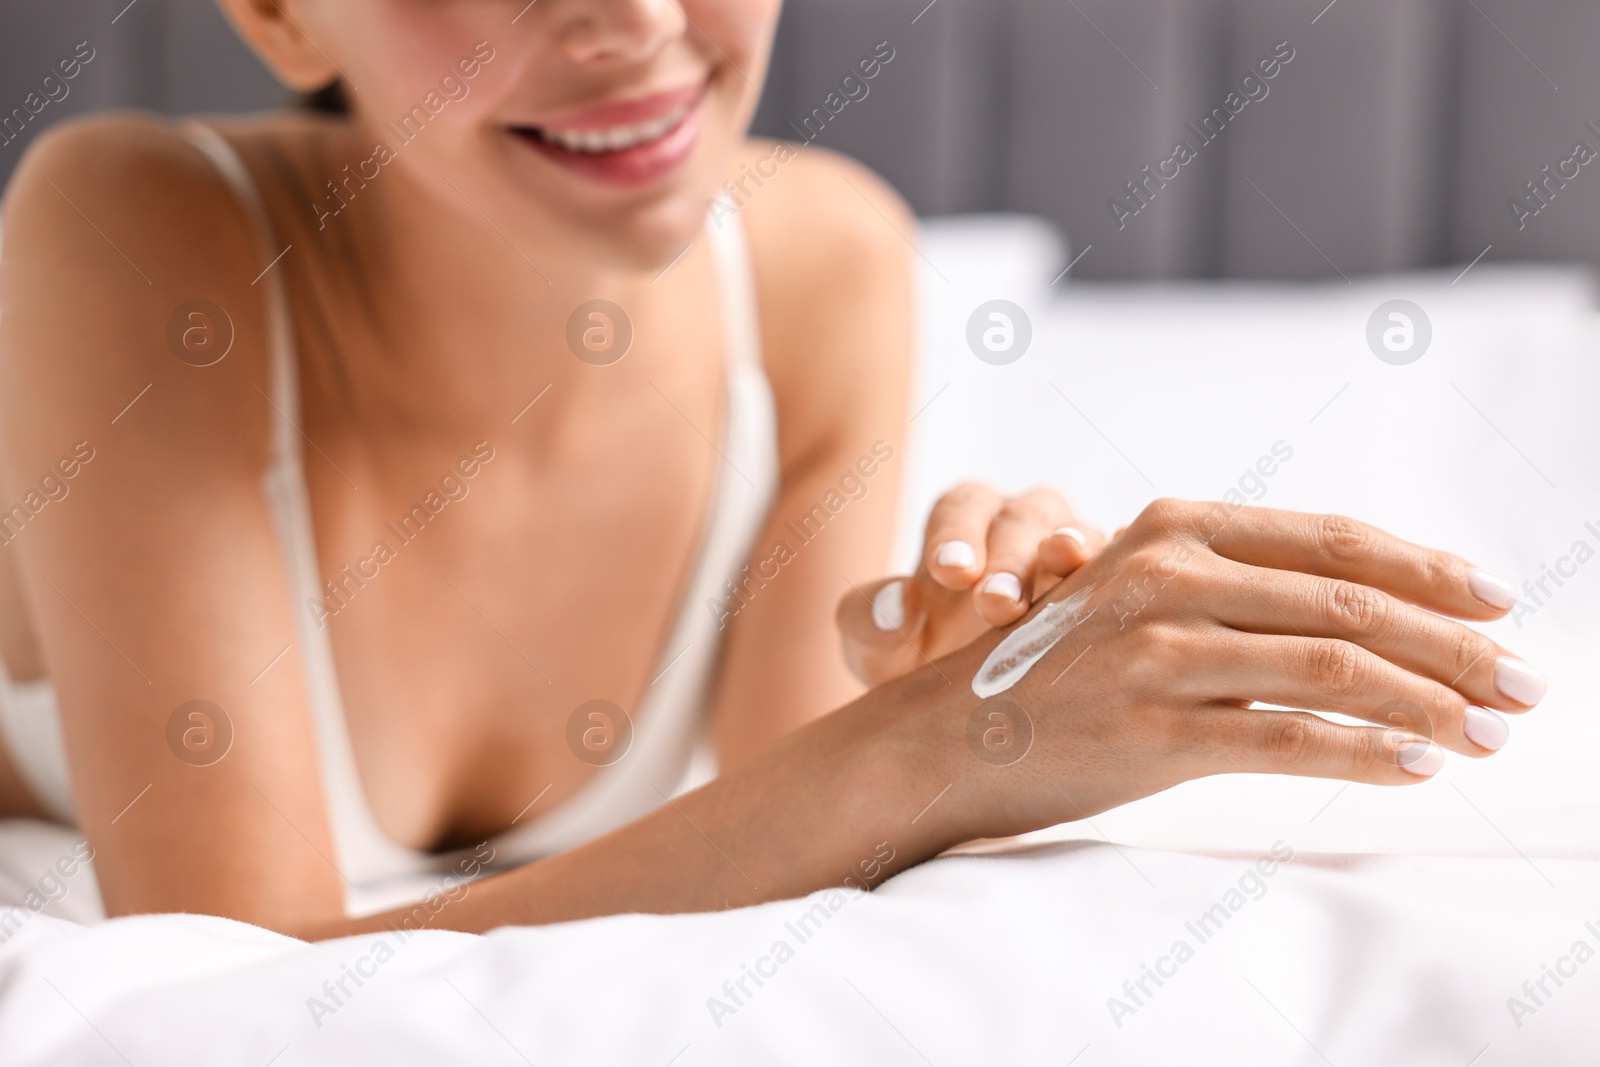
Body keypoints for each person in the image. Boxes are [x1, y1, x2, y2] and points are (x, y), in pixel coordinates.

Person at [0, 0, 1541, 941]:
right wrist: (946, 748)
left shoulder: (824, 263)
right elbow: (228, 971)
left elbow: (773, 838)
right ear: (278, 14)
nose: (634, 22)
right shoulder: (134, 227)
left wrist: (952, 681)